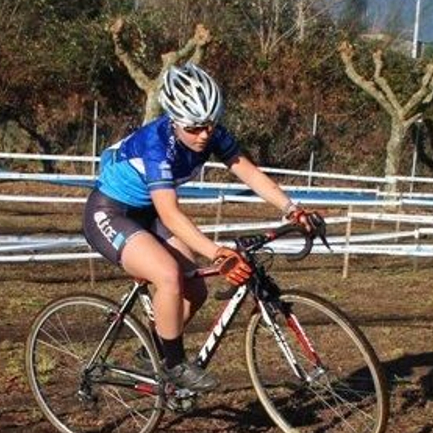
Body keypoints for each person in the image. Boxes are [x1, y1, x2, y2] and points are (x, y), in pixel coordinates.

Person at [83, 62, 320, 392]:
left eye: (209, 125)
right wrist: (217, 253)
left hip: (149, 211)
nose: (204, 134)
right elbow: (170, 214)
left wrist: (292, 209)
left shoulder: (212, 135)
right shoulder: (157, 145)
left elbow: (249, 173)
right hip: (110, 212)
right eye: (194, 128)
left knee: (195, 289)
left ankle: (152, 353)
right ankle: (176, 365)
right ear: (175, 120)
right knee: (168, 275)